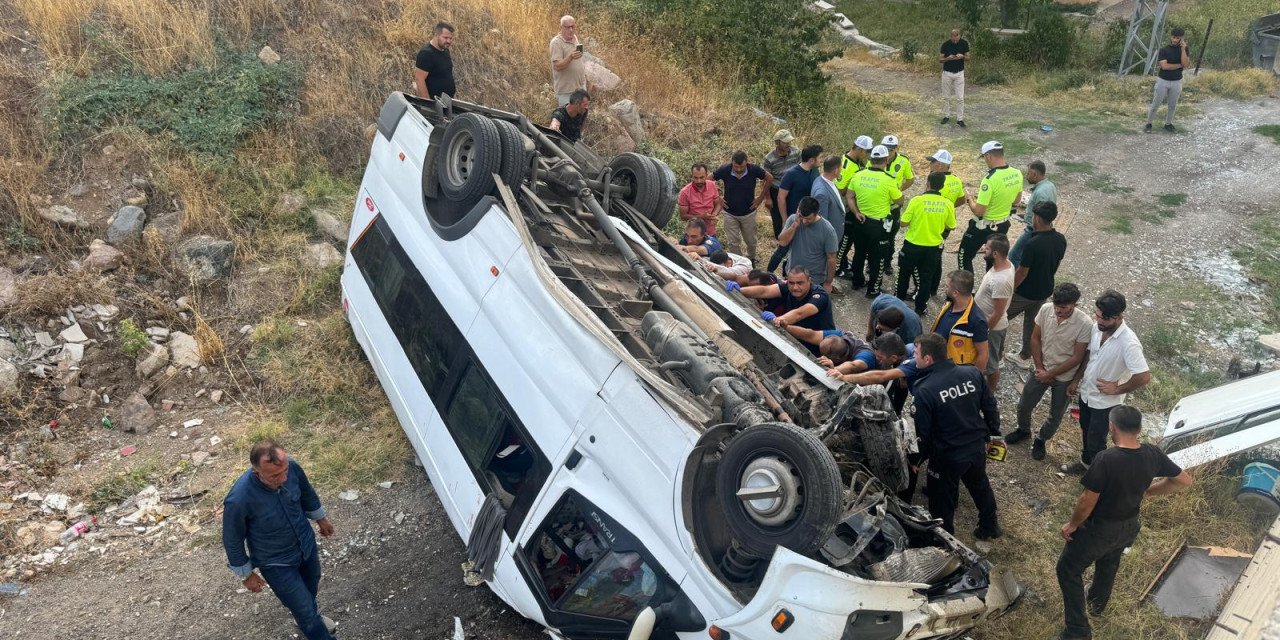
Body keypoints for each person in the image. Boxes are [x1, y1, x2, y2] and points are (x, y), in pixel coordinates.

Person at [1056, 405, 1193, 640]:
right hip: (1129, 524)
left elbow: (1086, 501)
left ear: (1112, 427)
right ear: (1139, 429)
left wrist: (1073, 525)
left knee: (1067, 570)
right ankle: (1097, 605)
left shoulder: (1107, 459)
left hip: (1100, 529)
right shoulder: (1152, 452)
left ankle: (1078, 630)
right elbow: (1183, 480)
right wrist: (1149, 492)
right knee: (1109, 562)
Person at [223, 440, 337, 640]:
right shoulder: (239, 499)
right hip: (276, 562)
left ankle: (306, 616)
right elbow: (232, 539)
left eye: (284, 471)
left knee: (311, 583)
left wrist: (321, 519)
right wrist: (246, 574)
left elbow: (307, 492)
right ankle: (310, 621)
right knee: (306, 612)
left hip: (306, 546)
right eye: (275, 476)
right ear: (257, 473)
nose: (284, 478)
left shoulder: (291, 467)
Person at [911, 333, 1002, 538]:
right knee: (980, 485)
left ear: (928, 359)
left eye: (916, 353)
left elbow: (921, 433)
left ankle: (944, 542)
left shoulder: (924, 389)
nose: (913, 356)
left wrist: (916, 459)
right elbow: (990, 405)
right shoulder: (971, 372)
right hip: (976, 446)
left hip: (947, 456)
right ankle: (990, 525)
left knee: (941, 499)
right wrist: (992, 434)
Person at [1063, 290, 1152, 473]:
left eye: (1105, 319)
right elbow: (1090, 355)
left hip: (1105, 403)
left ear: (1119, 317)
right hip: (1088, 393)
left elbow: (1143, 376)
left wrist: (1117, 389)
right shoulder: (1097, 328)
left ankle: (1097, 476)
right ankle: (1086, 463)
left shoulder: (1129, 343)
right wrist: (1077, 379)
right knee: (1086, 430)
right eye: (1097, 316)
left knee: (1097, 440)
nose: (1099, 321)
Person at [1007, 283, 1092, 461]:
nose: (1058, 311)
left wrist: (1052, 375)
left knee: (1055, 415)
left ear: (1074, 304)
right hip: (1041, 369)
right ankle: (1024, 430)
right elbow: (1035, 338)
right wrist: (1040, 368)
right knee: (1024, 405)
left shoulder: (1084, 324)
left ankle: (1041, 439)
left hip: (1064, 378)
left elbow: (1077, 357)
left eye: (1063, 307)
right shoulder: (1046, 310)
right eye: (1056, 306)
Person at [1007, 201, 1067, 366]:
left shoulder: (1032, 244)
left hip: (1025, 293)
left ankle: (996, 357)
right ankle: (1025, 356)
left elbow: (1022, 272)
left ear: (1038, 219)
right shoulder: (1060, 239)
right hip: (1045, 290)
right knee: (1032, 324)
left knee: (1000, 318)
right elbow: (1055, 263)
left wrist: (1009, 289)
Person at [736, 266, 836, 354]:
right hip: (798, 341)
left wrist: (778, 320)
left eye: (800, 283)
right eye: (791, 283)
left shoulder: (820, 296)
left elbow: (800, 313)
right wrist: (739, 290)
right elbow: (764, 291)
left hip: (824, 347)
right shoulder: (787, 287)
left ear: (809, 281)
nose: (795, 287)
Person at [896, 171, 957, 315]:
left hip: (912, 245)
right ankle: (920, 307)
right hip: (933, 248)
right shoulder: (947, 203)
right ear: (941, 186)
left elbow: (903, 223)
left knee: (904, 274)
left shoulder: (917, 201)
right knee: (926, 279)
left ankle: (898, 304)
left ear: (927, 184)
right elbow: (952, 225)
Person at [847, 145, 904, 297]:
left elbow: (849, 196)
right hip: (879, 226)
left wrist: (856, 212)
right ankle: (873, 289)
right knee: (877, 258)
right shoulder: (889, 180)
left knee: (859, 253)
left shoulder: (858, 175)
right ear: (886, 160)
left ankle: (857, 282)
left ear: (871, 159)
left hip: (860, 221)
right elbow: (900, 201)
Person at [959, 141, 1022, 273]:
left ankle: (966, 290)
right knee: (993, 259)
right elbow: (1016, 200)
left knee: (964, 256)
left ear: (988, 156)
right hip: (1002, 225)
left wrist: (970, 199)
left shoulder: (989, 179)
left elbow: (978, 211)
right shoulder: (1017, 173)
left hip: (983, 227)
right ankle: (990, 288)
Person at [767, 145, 823, 272]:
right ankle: (768, 274)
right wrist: (785, 219)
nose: (822, 160)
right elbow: (781, 197)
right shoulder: (791, 174)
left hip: (808, 219)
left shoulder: (814, 172)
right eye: (820, 157)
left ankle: (787, 272)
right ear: (812, 160)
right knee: (782, 248)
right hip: (794, 218)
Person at [712, 151, 771, 263]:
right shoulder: (725, 169)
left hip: (749, 212)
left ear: (747, 162)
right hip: (729, 212)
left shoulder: (753, 169)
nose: (739, 169)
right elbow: (709, 178)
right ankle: (738, 262)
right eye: (736, 166)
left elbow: (769, 178)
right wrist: (717, 197)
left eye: (742, 166)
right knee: (733, 242)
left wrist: (761, 198)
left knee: (751, 241)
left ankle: (751, 259)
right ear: (732, 163)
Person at [974, 234, 1014, 390]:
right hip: (988, 323)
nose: (984, 248)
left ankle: (989, 393)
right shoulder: (1006, 263)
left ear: (996, 254)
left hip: (992, 327)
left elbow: (997, 313)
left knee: (991, 365)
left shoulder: (1001, 280)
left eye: (987, 248)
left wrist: (984, 330)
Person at [774, 197, 838, 292]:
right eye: (802, 217)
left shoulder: (827, 230)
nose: (804, 221)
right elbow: (783, 242)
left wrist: (828, 283)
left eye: (808, 219)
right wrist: (795, 225)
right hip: (793, 276)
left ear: (817, 213)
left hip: (814, 280)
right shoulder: (793, 220)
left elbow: (831, 258)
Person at [931, 270, 990, 372]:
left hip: (952, 372)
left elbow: (983, 354)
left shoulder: (977, 321)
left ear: (955, 293)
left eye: (947, 286)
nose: (944, 289)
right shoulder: (949, 304)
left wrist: (973, 378)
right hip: (938, 362)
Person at [834, 136, 874, 278]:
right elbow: (840, 190)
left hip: (853, 205)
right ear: (860, 149)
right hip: (846, 208)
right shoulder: (846, 165)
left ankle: (842, 263)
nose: (868, 155)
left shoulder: (857, 161)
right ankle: (837, 268)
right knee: (845, 239)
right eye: (867, 151)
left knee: (849, 239)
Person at [1009, 160, 1058, 268]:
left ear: (1035, 174)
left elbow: (1042, 215)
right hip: (1040, 228)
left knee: (1014, 256)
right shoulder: (1050, 185)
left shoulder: (1040, 193)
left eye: (1028, 173)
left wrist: (1035, 231)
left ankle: (1016, 281)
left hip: (1034, 230)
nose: (1026, 176)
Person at [810, 155, 847, 290]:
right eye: (841, 168)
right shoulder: (822, 192)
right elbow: (822, 221)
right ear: (836, 170)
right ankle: (823, 285)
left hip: (834, 233)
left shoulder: (823, 181)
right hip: (828, 238)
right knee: (825, 262)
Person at [881, 135, 915, 276]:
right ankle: (873, 263)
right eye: (886, 148)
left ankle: (887, 263)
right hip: (879, 206)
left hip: (893, 207)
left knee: (890, 236)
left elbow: (910, 179)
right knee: (877, 236)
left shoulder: (903, 161)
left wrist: (898, 191)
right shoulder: (877, 157)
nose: (888, 152)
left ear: (896, 148)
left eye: (891, 149)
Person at [1145, 27, 1190, 133]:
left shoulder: (1184, 49)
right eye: (1173, 37)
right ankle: (1149, 123)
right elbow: (1164, 66)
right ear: (1171, 37)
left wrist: (1183, 49)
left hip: (1176, 81)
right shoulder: (1164, 50)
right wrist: (1180, 65)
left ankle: (1168, 124)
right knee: (1156, 103)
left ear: (1181, 39)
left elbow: (1186, 64)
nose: (1175, 40)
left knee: (1172, 104)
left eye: (1177, 38)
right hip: (1163, 80)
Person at [762, 130, 800, 238]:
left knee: (794, 214)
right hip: (776, 190)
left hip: (793, 189)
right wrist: (768, 198)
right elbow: (766, 180)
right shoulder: (769, 159)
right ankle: (780, 239)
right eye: (785, 142)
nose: (788, 144)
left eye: (789, 141)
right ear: (778, 142)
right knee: (777, 217)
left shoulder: (796, 152)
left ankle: (794, 238)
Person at [817, 332, 907, 376]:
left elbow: (853, 366)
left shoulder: (868, 356)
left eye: (880, 357)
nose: (875, 358)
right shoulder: (842, 335)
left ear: (894, 358)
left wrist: (833, 369)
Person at [550, 15, 586, 107]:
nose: (571, 30)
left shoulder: (574, 38)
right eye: (567, 27)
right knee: (566, 119)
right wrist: (570, 57)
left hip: (580, 87)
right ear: (561, 28)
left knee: (581, 117)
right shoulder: (556, 43)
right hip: (566, 92)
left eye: (572, 27)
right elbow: (557, 66)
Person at [677, 163, 723, 236]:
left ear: (706, 175)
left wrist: (714, 215)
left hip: (711, 232)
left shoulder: (712, 185)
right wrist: (702, 217)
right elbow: (683, 216)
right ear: (692, 176)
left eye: (702, 177)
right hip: (694, 234)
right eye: (695, 178)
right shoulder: (684, 192)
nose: (699, 181)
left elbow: (718, 203)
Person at [414, 22, 456, 99]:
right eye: (445, 38)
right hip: (435, 103)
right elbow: (419, 80)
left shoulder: (445, 50)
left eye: (450, 38)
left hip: (447, 102)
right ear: (436, 35)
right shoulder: (426, 54)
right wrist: (428, 103)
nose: (449, 41)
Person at [940, 29, 969, 127]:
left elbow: (968, 57)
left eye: (957, 37)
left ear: (959, 36)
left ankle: (960, 119)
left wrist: (963, 56)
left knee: (960, 98)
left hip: (959, 73)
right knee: (946, 97)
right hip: (947, 73)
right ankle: (946, 116)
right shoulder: (945, 45)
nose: (955, 39)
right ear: (951, 36)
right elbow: (940, 59)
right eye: (953, 37)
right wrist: (948, 58)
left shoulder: (964, 43)